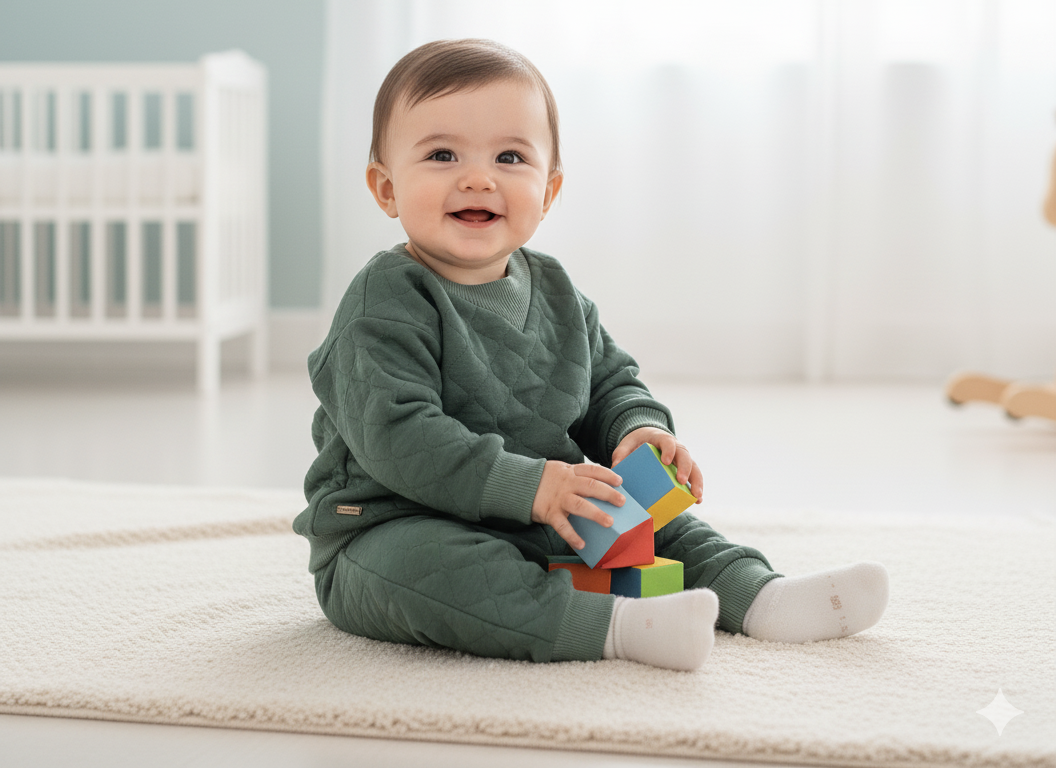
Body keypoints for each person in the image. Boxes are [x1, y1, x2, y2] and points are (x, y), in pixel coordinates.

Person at [293, 38, 889, 671]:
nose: (478, 177)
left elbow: (608, 381)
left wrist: (639, 431)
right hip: (392, 523)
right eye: (442, 154)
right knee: (436, 571)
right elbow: (398, 436)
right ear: (386, 188)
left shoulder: (553, 289)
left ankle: (762, 599)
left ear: (547, 192)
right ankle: (617, 628)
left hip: (547, 506)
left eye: (510, 156)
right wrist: (532, 485)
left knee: (659, 526)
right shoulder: (384, 301)